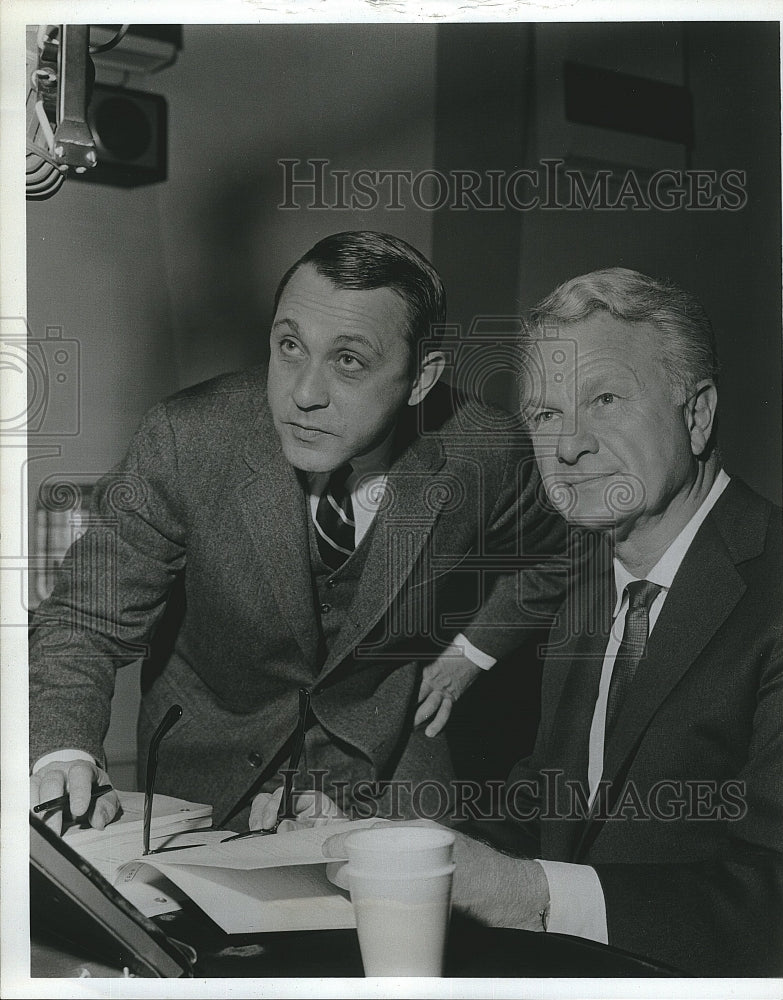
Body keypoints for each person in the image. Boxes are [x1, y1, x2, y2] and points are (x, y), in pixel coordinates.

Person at [261, 267, 783, 977]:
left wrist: (532, 894)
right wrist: (384, 843)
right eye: (544, 415)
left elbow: (780, 905)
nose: (568, 447)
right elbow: (547, 815)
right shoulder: (590, 589)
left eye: (604, 400)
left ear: (697, 414)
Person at [29, 231, 566, 833]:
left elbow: (558, 553)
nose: (304, 394)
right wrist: (65, 750)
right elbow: (83, 617)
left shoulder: (484, 449)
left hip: (392, 767)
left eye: (348, 361)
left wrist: (472, 652)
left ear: (421, 378)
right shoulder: (187, 439)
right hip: (211, 772)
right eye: (290, 346)